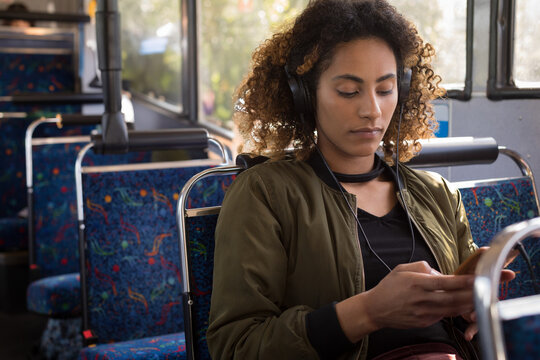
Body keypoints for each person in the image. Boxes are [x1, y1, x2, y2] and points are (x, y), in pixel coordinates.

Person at [207, 0, 514, 359]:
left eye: (385, 90)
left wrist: (474, 307)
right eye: (349, 92)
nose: (372, 110)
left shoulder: (436, 194)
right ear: (305, 96)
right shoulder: (266, 194)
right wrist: (367, 312)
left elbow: (467, 318)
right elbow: (236, 346)